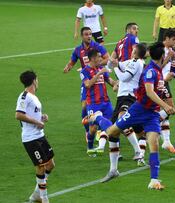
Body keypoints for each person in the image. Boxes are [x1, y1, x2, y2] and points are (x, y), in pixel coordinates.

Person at [83, 42, 175, 190]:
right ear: (162, 56)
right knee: (112, 131)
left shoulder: (155, 70)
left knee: (154, 144)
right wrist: (166, 105)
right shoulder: (150, 71)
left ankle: (154, 180)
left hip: (151, 113)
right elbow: (150, 92)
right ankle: (98, 117)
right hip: (138, 109)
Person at [64, 26, 109, 151]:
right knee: (84, 105)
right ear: (82, 36)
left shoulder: (98, 47)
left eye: (90, 34)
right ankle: (88, 129)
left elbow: (108, 58)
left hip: (97, 78)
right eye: (86, 34)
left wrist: (97, 65)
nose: (89, 36)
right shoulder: (78, 50)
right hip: (87, 79)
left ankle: (99, 130)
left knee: (101, 104)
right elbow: (73, 60)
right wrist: (68, 67)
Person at [16, 71, 55, 203]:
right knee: (41, 166)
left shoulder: (33, 97)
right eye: (37, 80)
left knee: (50, 164)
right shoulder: (24, 96)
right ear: (33, 81)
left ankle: (36, 194)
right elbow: (19, 115)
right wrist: (37, 122)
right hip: (30, 138)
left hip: (40, 136)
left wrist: (42, 117)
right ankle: (44, 198)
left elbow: (31, 114)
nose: (38, 82)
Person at [112, 43, 148, 166]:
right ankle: (138, 157)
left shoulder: (135, 63)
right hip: (125, 97)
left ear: (136, 52)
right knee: (115, 129)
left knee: (121, 121)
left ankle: (138, 151)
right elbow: (122, 64)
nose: (131, 51)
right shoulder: (135, 62)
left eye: (133, 50)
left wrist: (115, 66)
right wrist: (110, 62)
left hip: (127, 96)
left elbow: (124, 77)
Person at [81, 49, 117, 156]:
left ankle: (115, 152)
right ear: (92, 58)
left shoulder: (101, 68)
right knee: (93, 128)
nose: (101, 58)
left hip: (106, 103)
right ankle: (90, 146)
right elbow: (88, 84)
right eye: (99, 56)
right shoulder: (85, 71)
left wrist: (117, 83)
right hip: (93, 103)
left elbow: (110, 81)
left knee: (111, 126)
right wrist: (99, 73)